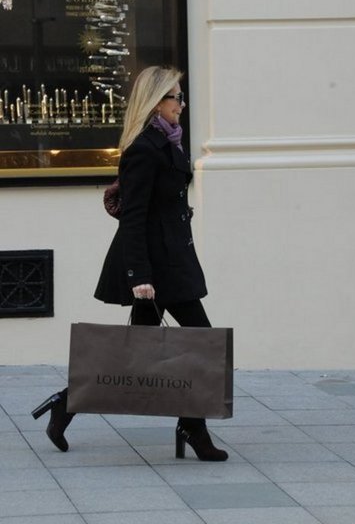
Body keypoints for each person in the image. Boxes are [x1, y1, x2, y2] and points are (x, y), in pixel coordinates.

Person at [32, 65, 228, 462]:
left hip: (172, 260)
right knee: (201, 343)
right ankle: (192, 429)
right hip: (155, 268)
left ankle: (65, 405)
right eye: (176, 98)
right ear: (156, 102)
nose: (182, 105)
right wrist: (139, 275)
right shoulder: (144, 149)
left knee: (139, 351)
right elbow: (133, 216)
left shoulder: (168, 141)